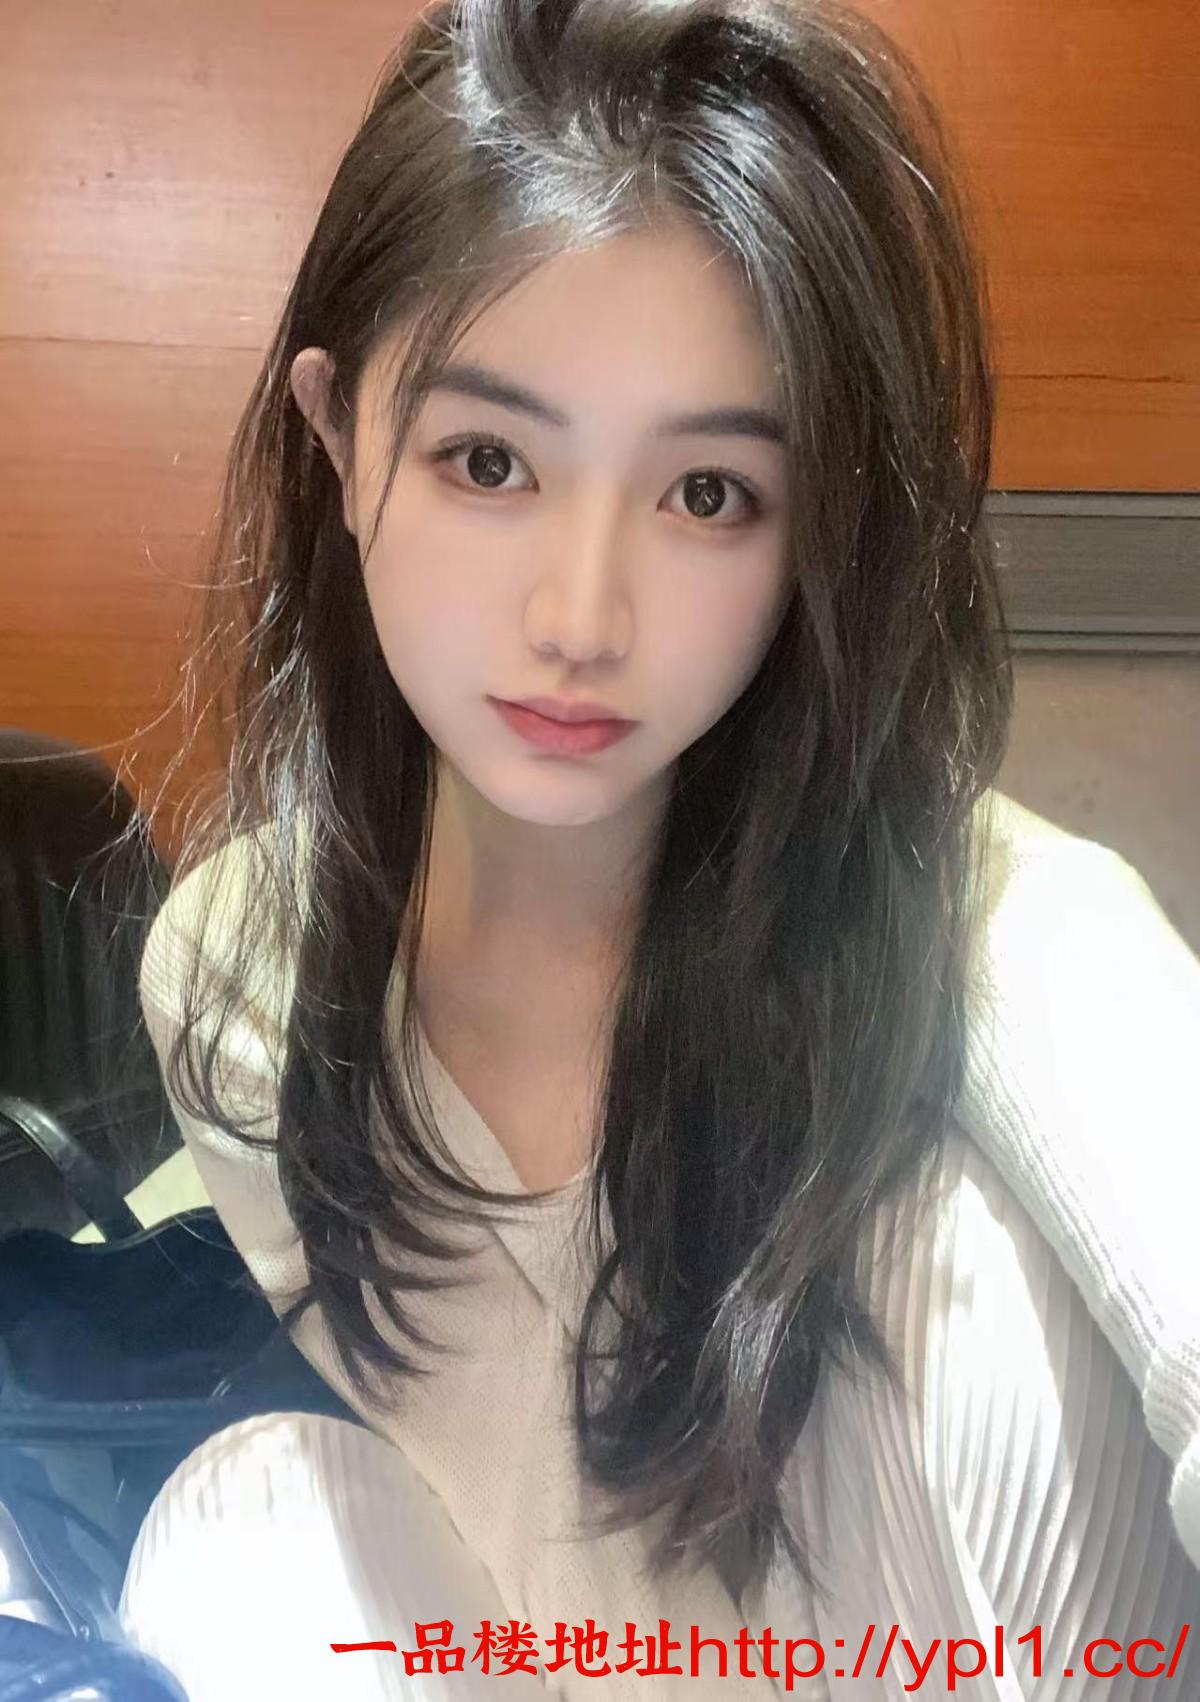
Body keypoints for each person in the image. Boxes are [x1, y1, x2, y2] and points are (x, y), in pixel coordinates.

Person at [117, 0, 1200, 1695]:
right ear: (338, 438)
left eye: (709, 494)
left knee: (936, 1255)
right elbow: (536, 1551)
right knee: (238, 1508)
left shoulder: (998, 926)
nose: (582, 617)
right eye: (489, 460)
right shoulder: (244, 976)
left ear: (809, 526)